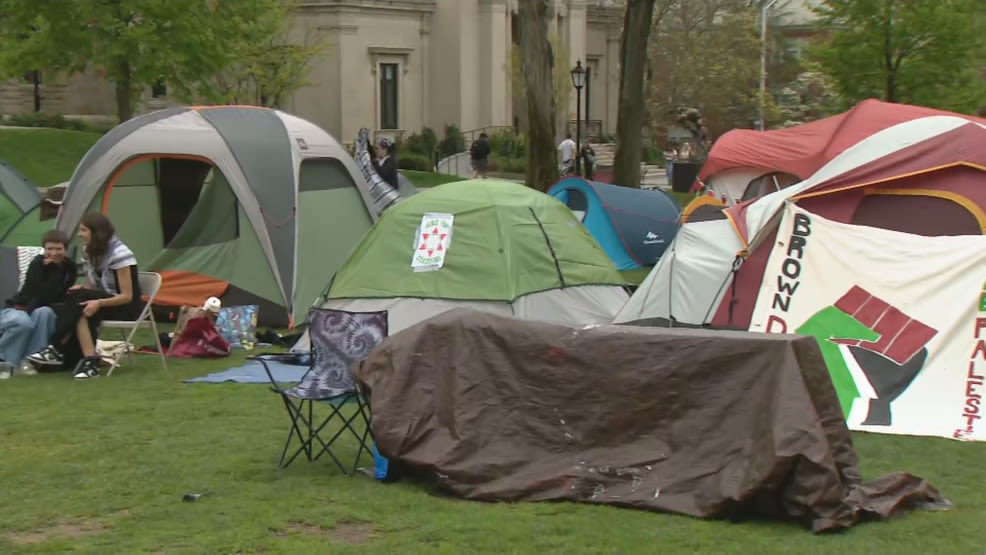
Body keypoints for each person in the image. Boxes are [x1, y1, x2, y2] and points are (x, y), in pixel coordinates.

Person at [28, 212, 141, 379]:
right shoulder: (89, 251)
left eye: (83, 230)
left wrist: (98, 303)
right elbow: (91, 287)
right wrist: (84, 292)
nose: (79, 234)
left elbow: (127, 296)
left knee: (80, 301)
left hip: (125, 306)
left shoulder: (121, 254)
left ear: (96, 232)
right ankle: (89, 362)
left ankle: (54, 348)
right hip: (104, 300)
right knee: (78, 299)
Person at [0, 230, 77, 379]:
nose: (53, 253)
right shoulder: (37, 264)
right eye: (49, 249)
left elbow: (59, 294)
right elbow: (38, 292)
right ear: (44, 249)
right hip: (19, 307)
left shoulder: (70, 267)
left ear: (65, 249)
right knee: (23, 322)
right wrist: (51, 269)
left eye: (58, 249)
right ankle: (6, 362)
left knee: (46, 313)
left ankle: (28, 361)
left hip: (39, 307)